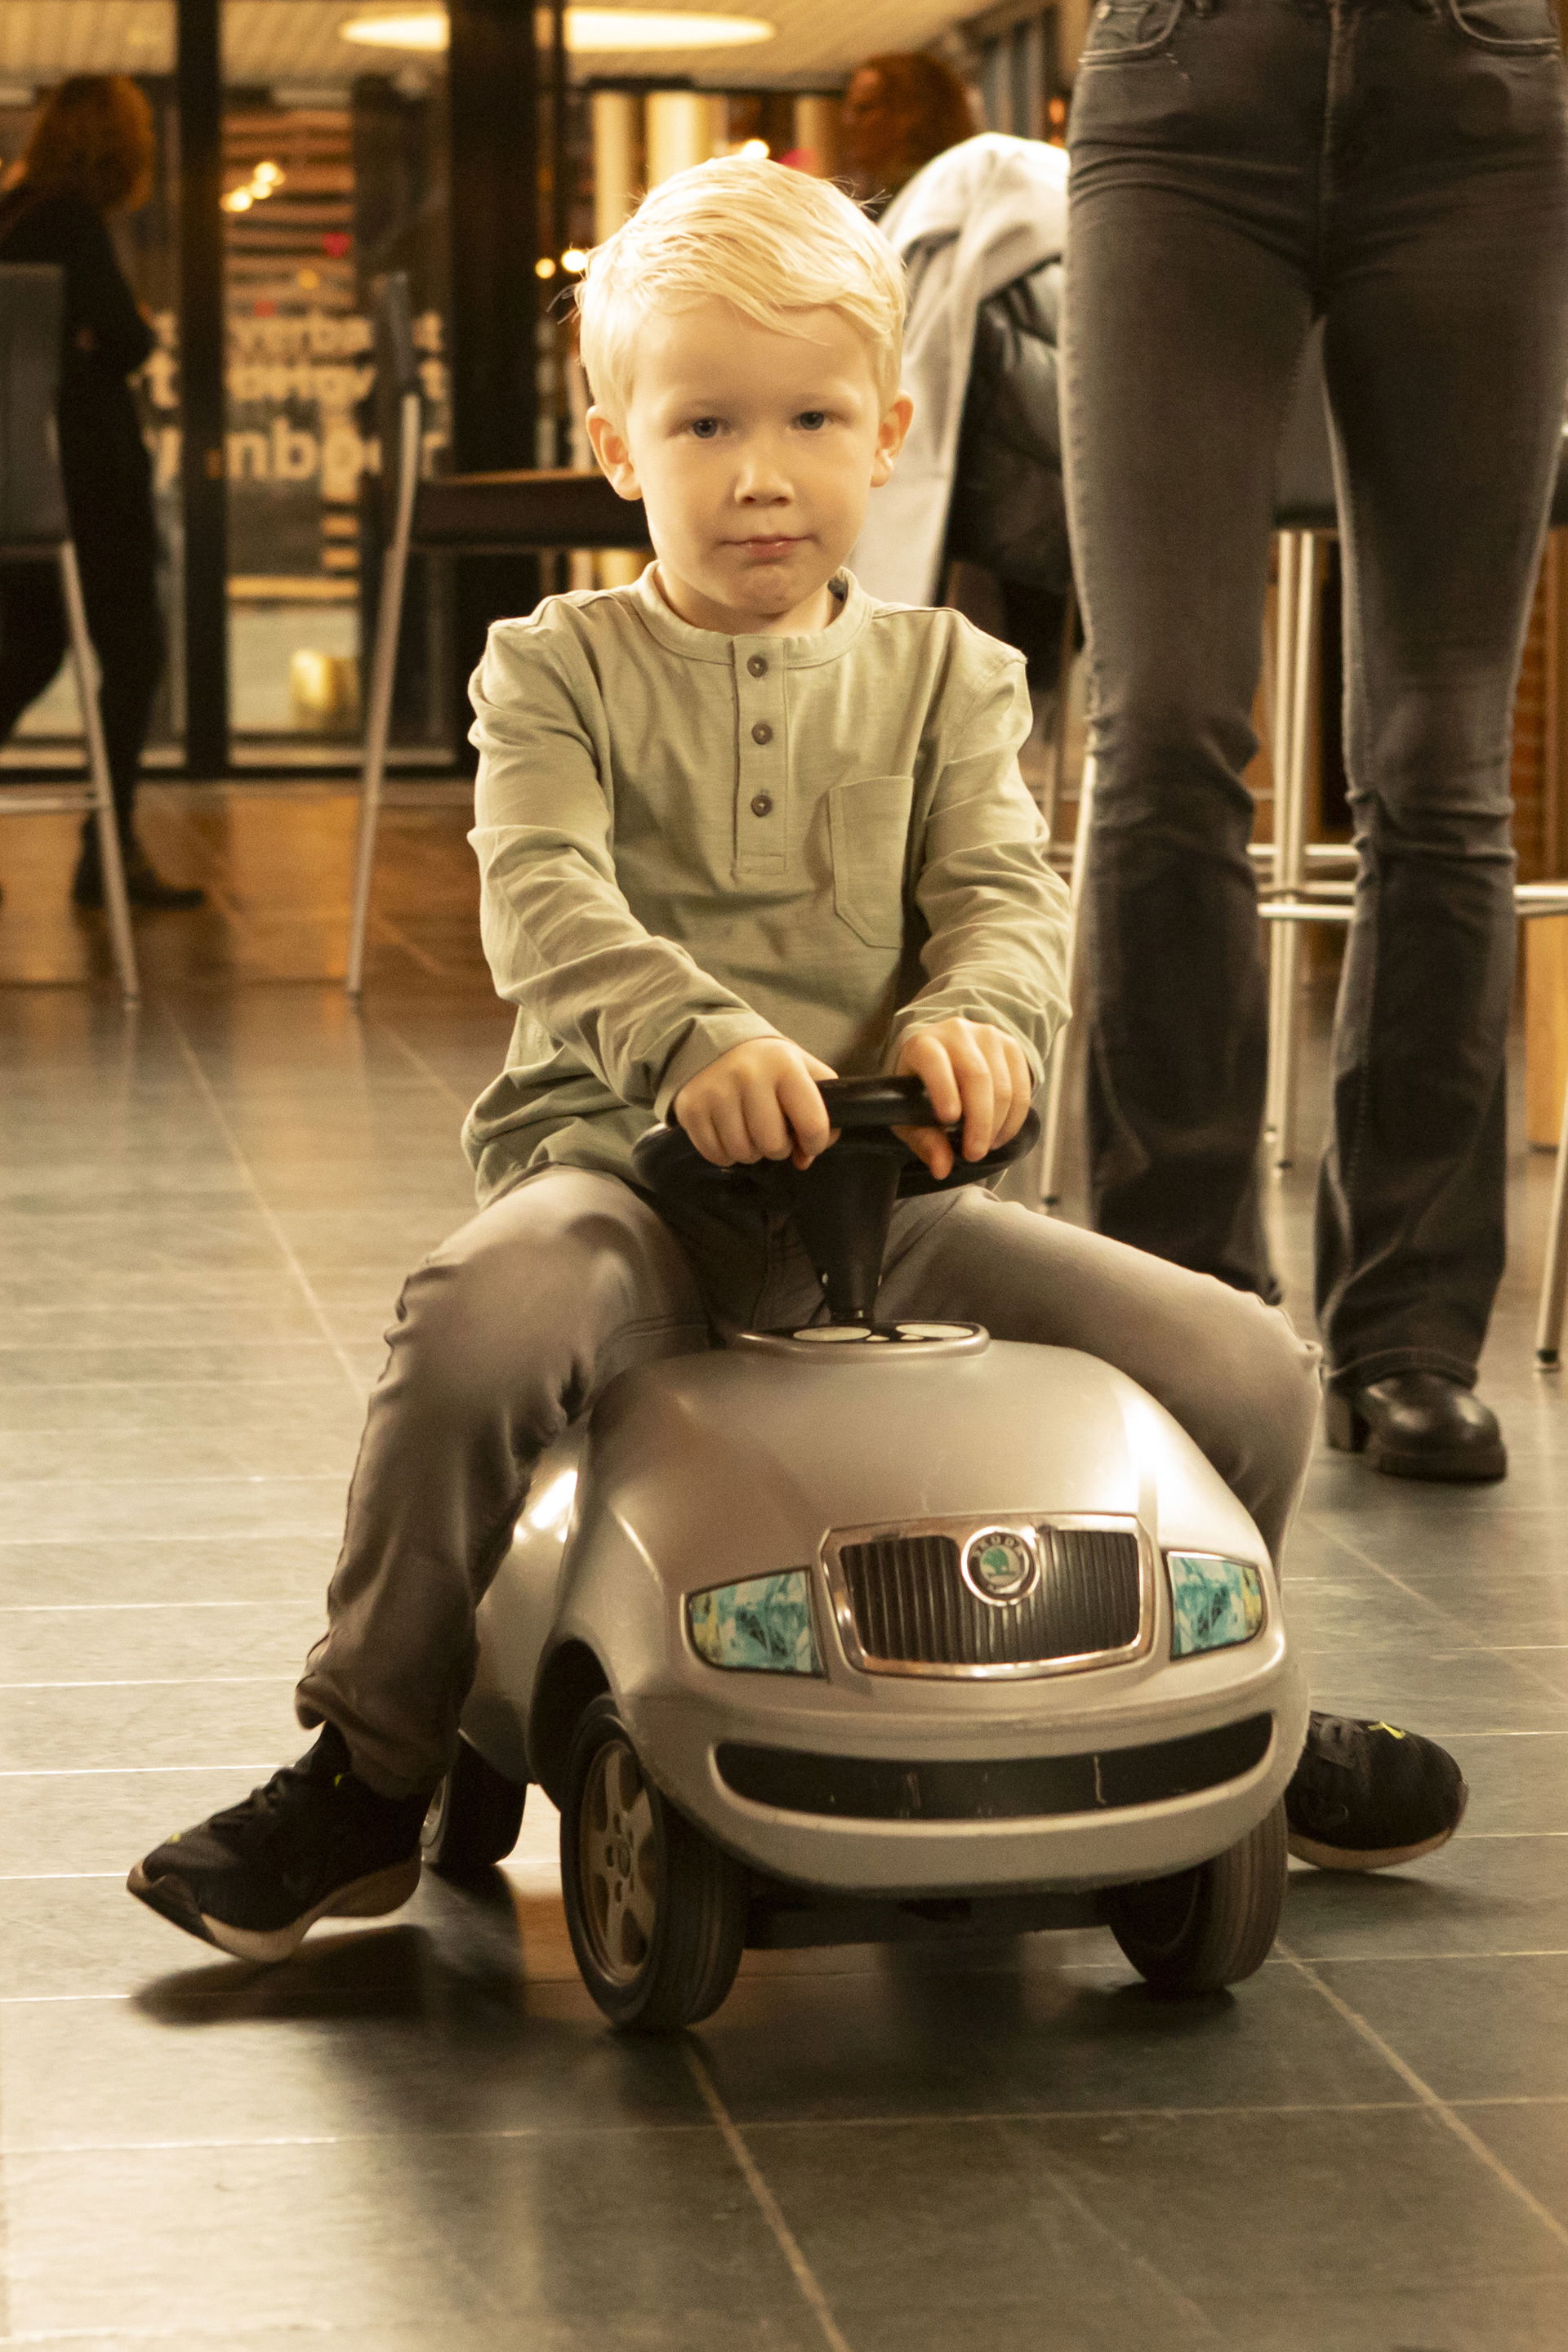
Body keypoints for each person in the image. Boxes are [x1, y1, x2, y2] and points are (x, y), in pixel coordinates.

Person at [126, 158, 1462, 1965]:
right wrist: (692, 1037)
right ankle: (368, 1768)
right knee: (473, 1335)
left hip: (895, 1213)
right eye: (705, 423)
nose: (762, 472)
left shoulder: (953, 680)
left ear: (891, 432)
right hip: (630, 1200)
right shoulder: (552, 672)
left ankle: (1232, 1721)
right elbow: (544, 898)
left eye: (815, 417)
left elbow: (1005, 895)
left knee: (1243, 1368)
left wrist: (976, 1022)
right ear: (619, 449)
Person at [1060, 0, 1568, 1479]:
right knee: (1160, 728)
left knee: (1441, 762)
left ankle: (1408, 1332)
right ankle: (1178, 1310)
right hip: (1182, 96)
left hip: (1473, 104)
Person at [0, 75, 203, 912]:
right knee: (134, 653)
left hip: (22, 483)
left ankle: (109, 849)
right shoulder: (70, 219)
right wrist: (120, 330)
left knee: (28, 652)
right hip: (84, 479)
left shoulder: (11, 212)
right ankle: (107, 854)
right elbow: (123, 339)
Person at [838, 50, 975, 212]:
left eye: (864, 109)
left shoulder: (944, 200)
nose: (848, 121)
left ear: (911, 114)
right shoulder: (889, 197)